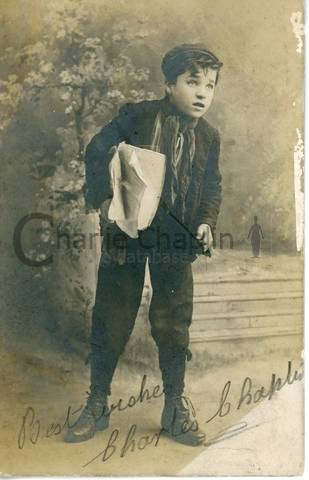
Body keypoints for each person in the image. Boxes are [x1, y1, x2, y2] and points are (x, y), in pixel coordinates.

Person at [64, 43, 223, 446]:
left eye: (210, 85)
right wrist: (103, 199)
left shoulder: (208, 137)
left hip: (175, 236)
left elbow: (211, 187)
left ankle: (174, 406)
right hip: (128, 232)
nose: (202, 92)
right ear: (169, 84)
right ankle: (97, 403)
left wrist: (205, 221)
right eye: (192, 82)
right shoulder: (136, 116)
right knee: (113, 312)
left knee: (174, 319)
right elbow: (98, 149)